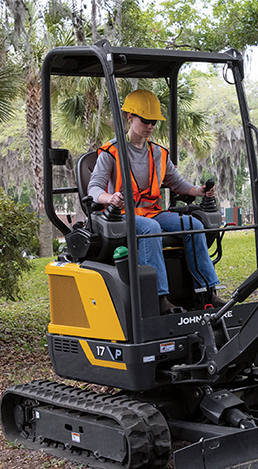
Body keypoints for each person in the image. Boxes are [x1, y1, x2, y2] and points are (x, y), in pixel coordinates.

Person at [88, 89, 223, 313]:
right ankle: (159, 298)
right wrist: (110, 198)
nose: (150, 126)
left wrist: (198, 191)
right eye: (146, 120)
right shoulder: (111, 152)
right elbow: (93, 189)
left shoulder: (158, 153)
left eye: (154, 122)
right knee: (150, 229)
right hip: (122, 216)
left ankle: (207, 292)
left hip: (152, 212)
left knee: (194, 225)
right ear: (130, 117)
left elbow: (177, 183)